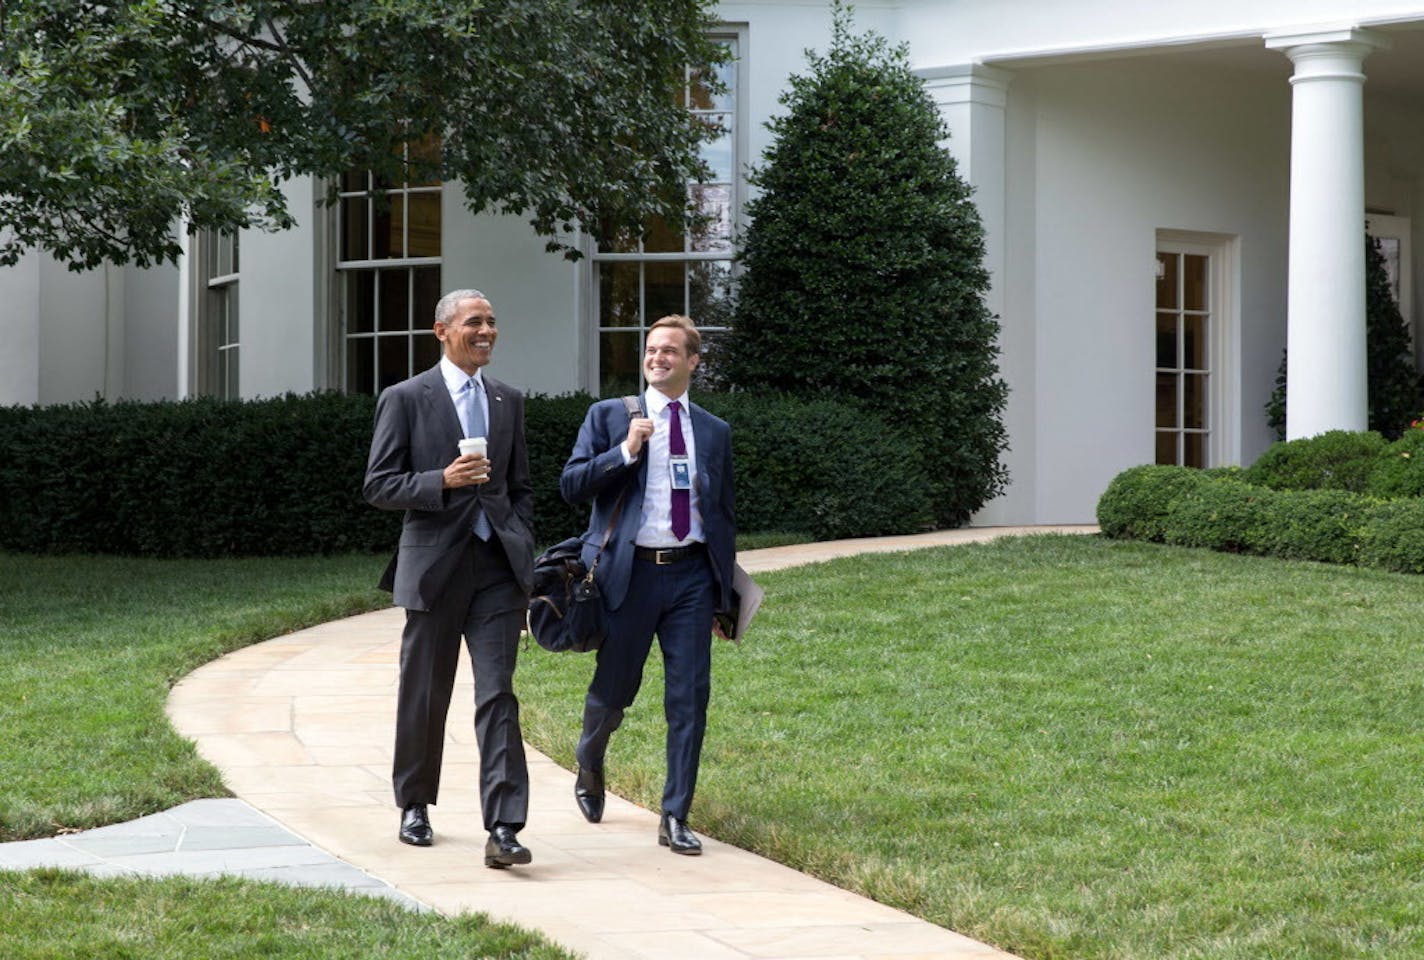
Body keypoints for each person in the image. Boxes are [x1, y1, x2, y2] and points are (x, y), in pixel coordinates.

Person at [363, 288, 536, 869]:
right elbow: (380, 484)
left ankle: (505, 827)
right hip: (435, 568)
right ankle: (415, 804)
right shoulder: (406, 397)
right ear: (441, 331)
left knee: (499, 696)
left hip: (496, 573)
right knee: (424, 694)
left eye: (492, 321)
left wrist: (522, 545)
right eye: (474, 322)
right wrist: (442, 479)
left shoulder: (508, 399)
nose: (486, 330)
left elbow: (520, 487)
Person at [559, 314, 737, 855]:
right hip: (630, 575)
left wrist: (723, 597)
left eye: (669, 351)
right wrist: (626, 452)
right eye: (651, 350)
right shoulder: (610, 415)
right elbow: (571, 485)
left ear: (692, 362)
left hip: (690, 578)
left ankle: (675, 814)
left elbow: (722, 514)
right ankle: (590, 760)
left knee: (689, 700)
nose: (657, 358)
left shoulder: (713, 430)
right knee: (614, 690)